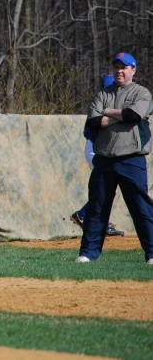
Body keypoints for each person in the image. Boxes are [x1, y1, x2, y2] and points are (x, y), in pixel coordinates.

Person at [77, 52, 153, 264]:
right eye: (117, 67)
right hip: (104, 159)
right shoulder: (103, 93)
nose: (119, 71)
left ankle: (152, 253)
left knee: (141, 208)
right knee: (97, 208)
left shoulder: (141, 93)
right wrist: (121, 114)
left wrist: (108, 113)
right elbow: (93, 121)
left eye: (124, 67)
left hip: (131, 158)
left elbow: (134, 116)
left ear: (133, 70)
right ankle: (88, 254)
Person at [70, 74, 124, 237]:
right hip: (96, 149)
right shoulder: (102, 106)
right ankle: (85, 215)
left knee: (107, 187)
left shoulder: (106, 104)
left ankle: (88, 216)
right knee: (106, 186)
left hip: (98, 149)